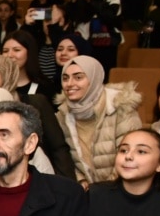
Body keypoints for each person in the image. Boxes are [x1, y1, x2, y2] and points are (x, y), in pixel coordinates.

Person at [56, 56, 142, 187]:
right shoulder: (62, 115)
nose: (70, 84)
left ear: (94, 79)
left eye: (78, 77)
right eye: (65, 78)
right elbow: (64, 158)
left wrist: (103, 192)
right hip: (85, 192)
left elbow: (131, 157)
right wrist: (80, 181)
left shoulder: (121, 107)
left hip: (120, 188)